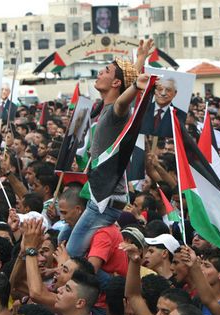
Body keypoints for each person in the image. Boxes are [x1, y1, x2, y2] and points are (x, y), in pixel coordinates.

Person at [66, 39, 153, 258]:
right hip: (99, 197)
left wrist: (134, 86)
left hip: (105, 202)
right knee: (61, 238)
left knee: (72, 253)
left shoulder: (116, 111)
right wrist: (140, 59)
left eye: (105, 71)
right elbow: (127, 80)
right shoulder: (102, 107)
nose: (99, 73)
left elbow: (124, 101)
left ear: (115, 84)